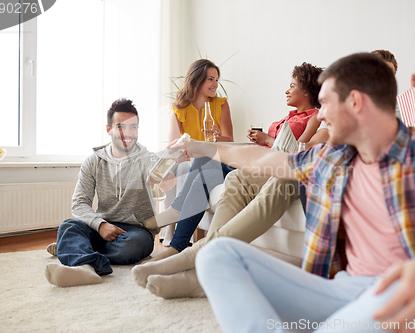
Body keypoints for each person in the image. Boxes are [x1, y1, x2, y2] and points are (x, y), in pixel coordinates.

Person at [187, 53, 415, 332]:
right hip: (346, 289)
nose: (320, 115)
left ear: (355, 102)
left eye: (325, 103)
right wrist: (204, 148)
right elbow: (264, 160)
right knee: (216, 255)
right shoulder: (334, 159)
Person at [133, 62, 327, 299]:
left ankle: (191, 250)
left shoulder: (316, 118)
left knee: (209, 161)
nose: (287, 90)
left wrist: (265, 139)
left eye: (292, 86)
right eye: (210, 79)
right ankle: (202, 261)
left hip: (283, 166)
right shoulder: (289, 117)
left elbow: (301, 150)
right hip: (269, 161)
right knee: (228, 174)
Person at [45, 98, 163, 288]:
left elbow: (164, 180)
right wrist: (100, 225)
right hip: (101, 227)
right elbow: (79, 203)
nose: (128, 133)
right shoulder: (93, 162)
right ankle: (85, 269)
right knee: (68, 226)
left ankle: (74, 249)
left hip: (135, 231)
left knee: (135, 246)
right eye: (121, 126)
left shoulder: (148, 159)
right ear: (109, 129)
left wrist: (169, 176)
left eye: (133, 127)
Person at [145, 59, 235, 258]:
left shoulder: (221, 104)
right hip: (191, 158)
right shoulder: (179, 108)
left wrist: (218, 135)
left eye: (216, 79)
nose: (215, 84)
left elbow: (229, 141)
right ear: (197, 79)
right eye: (210, 79)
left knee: (202, 155)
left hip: (217, 157)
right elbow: (173, 145)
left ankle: (176, 212)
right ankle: (177, 243)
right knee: (190, 163)